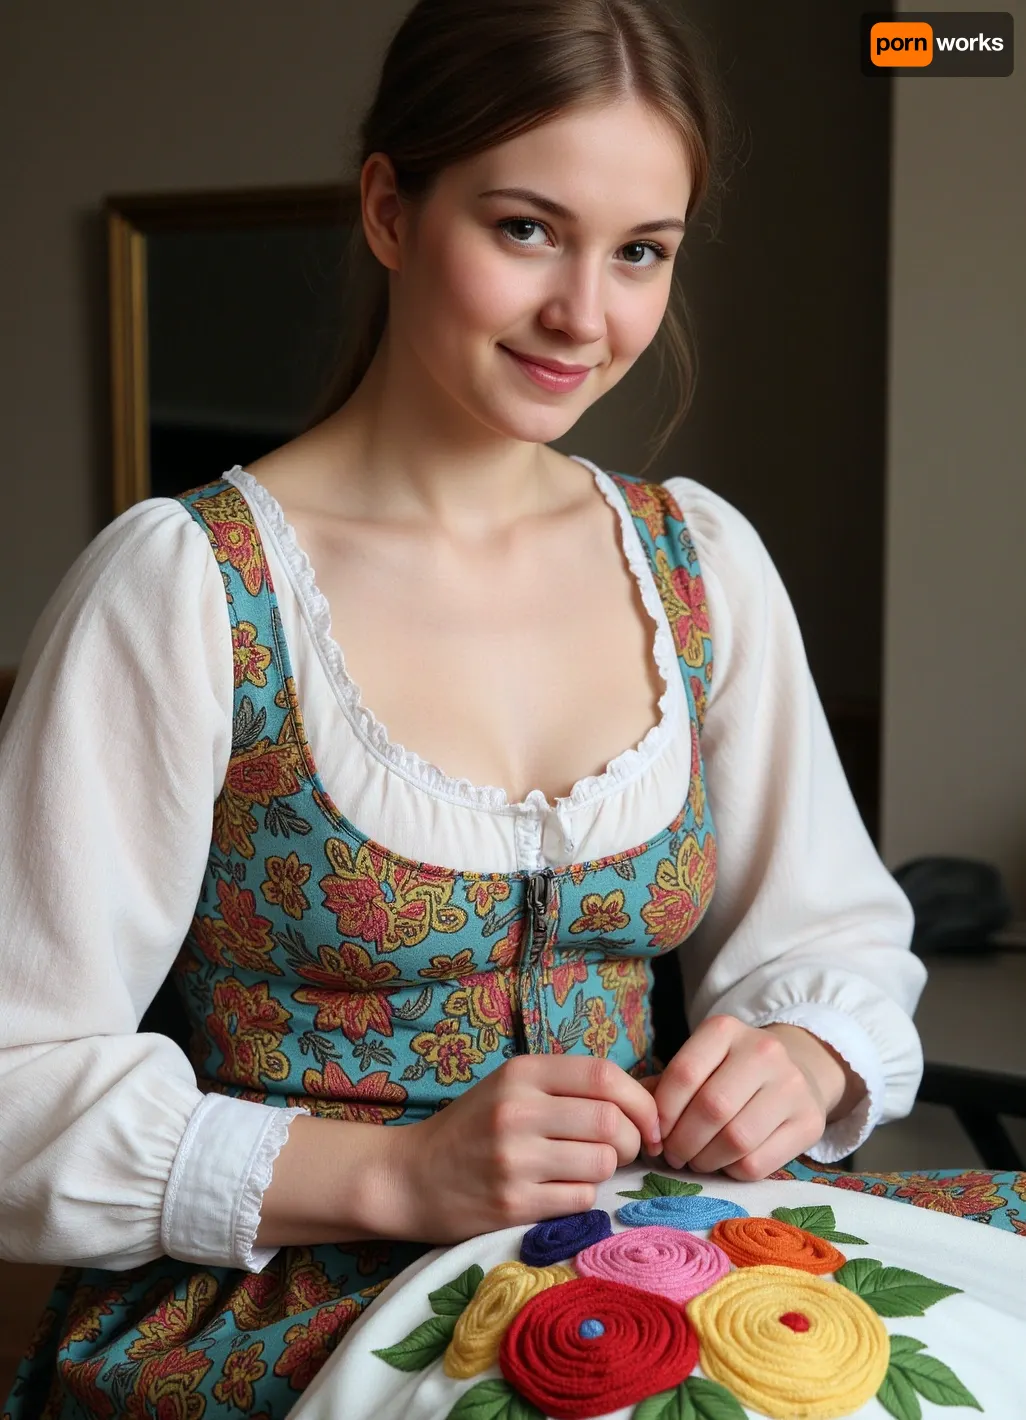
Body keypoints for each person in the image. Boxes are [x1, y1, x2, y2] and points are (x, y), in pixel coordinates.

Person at [0, 1, 927, 1415]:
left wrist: (799, 1056)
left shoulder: (699, 567)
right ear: (388, 208)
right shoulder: (187, 589)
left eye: (639, 254)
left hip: (649, 1276)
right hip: (286, 1307)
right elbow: (11, 1087)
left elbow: (835, 941)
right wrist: (395, 1171)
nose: (585, 314)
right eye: (523, 229)